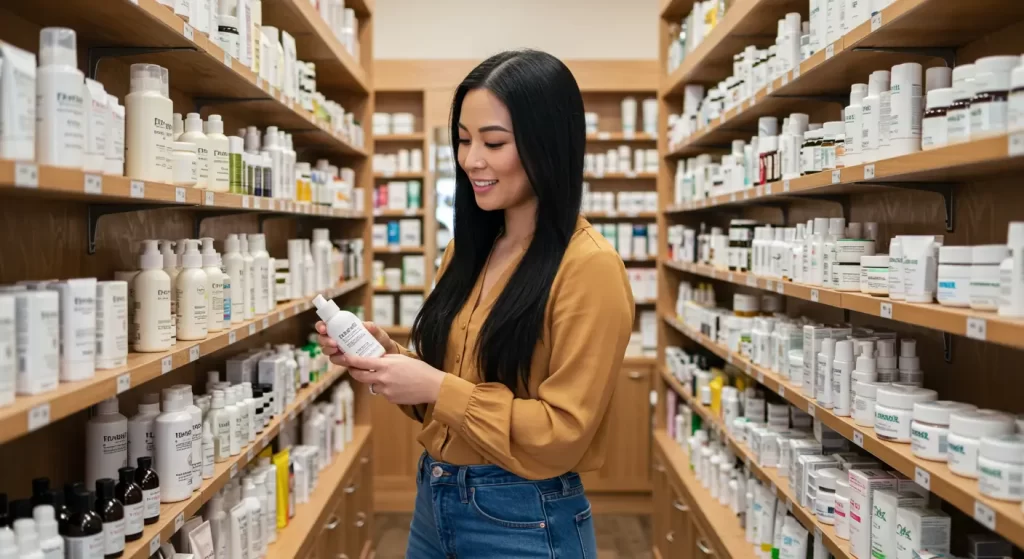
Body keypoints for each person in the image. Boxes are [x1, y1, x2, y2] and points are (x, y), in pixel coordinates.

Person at [316, 49, 634, 558]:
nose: (471, 160)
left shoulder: (588, 267)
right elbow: (448, 398)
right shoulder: (465, 250)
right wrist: (391, 360)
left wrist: (438, 387)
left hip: (524, 518)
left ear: (547, 144)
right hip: (434, 501)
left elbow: (564, 432)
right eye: (463, 140)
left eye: (493, 142)